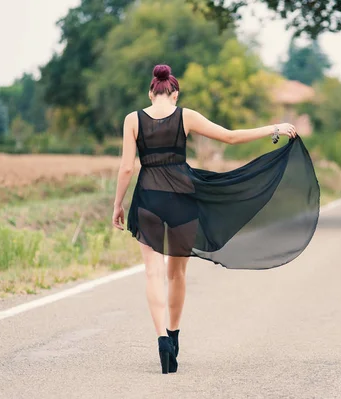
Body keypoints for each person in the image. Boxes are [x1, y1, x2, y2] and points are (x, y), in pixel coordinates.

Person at [112, 64, 319, 374]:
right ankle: (174, 334)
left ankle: (161, 341)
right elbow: (231, 137)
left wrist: (117, 204)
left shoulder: (133, 120)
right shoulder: (186, 116)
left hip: (148, 200)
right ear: (175, 93)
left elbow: (127, 168)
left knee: (153, 273)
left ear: (151, 93)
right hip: (183, 199)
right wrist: (273, 128)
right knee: (176, 274)